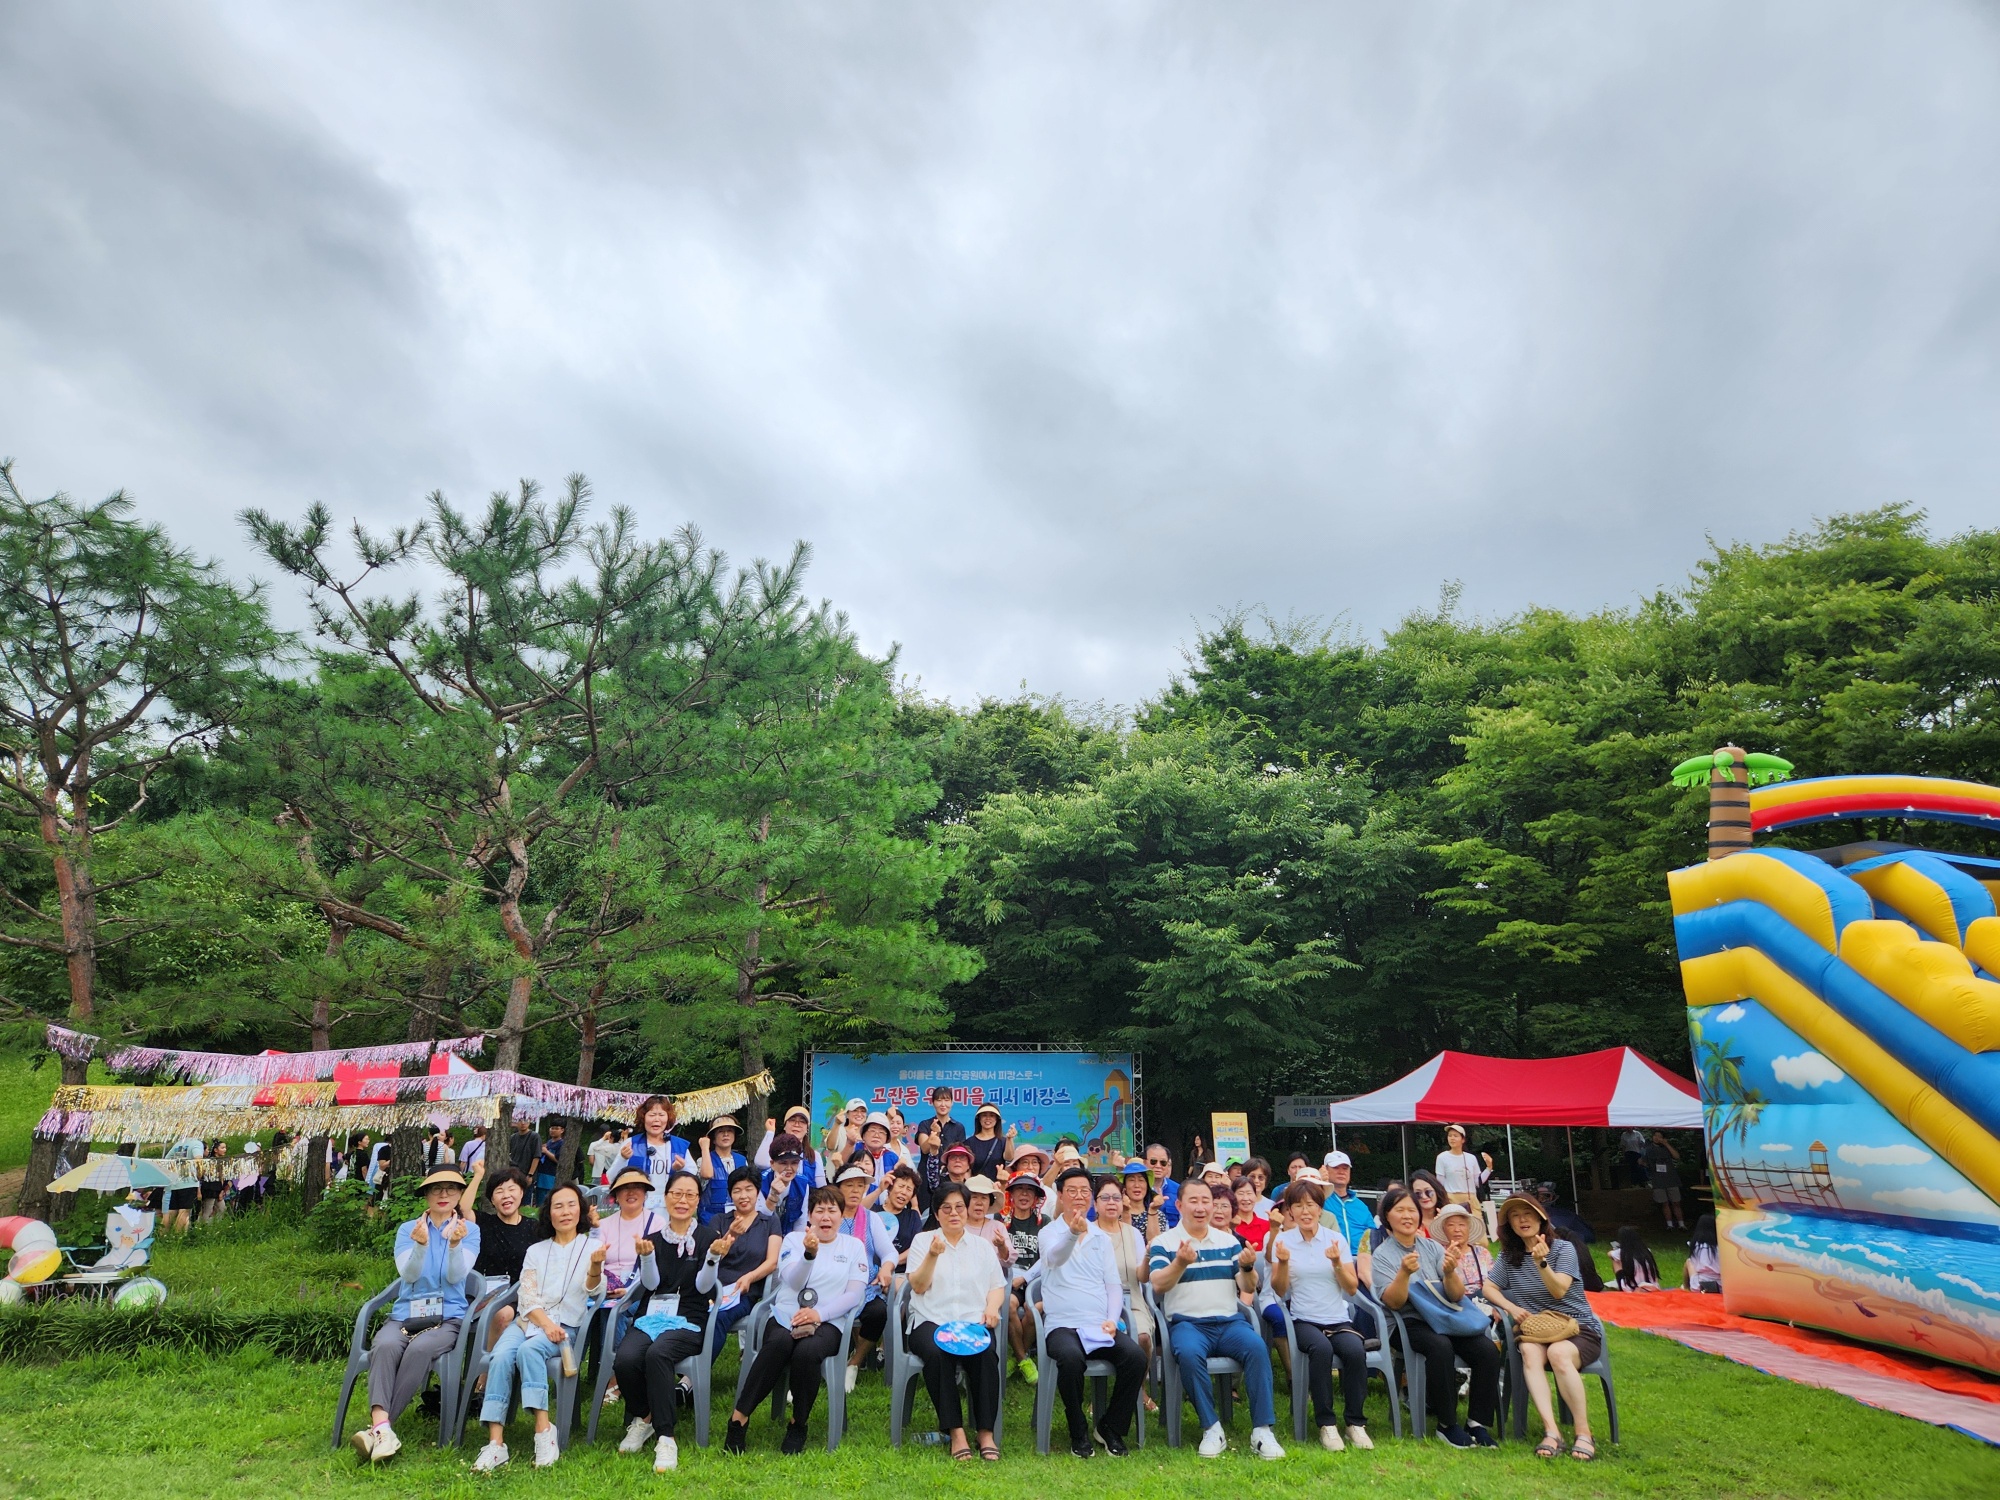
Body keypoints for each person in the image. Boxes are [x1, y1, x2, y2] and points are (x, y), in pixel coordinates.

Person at [723, 1186, 869, 1455]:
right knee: (778, 1344)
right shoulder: (793, 1240)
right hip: (785, 1316)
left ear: (841, 1215)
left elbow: (854, 1295)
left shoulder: (854, 1247)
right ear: (810, 1216)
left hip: (829, 1321)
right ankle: (738, 1419)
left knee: (808, 1352)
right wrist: (809, 1255)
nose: (826, 1217)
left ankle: (798, 1423)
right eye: (820, 1211)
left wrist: (819, 1314)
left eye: (832, 1210)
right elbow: (792, 1281)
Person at [350, 1167, 482, 1463]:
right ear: (426, 1195)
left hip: (448, 1316)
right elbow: (408, 1274)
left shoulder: (469, 1231)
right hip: (406, 1314)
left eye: (451, 1188)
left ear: (461, 1194)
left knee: (420, 1349)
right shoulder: (408, 1229)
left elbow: (455, 1275)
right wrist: (420, 1246)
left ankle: (378, 1429)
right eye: (436, 1188)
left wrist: (454, 1245)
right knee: (383, 1345)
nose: (444, 1194)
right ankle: (384, 1429)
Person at [1147, 1177, 1285, 1459]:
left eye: (1205, 1201)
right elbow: (1158, 1284)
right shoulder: (1164, 1242)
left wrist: (1247, 1267)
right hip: (1187, 1324)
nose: (1200, 1207)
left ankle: (1262, 1430)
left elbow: (1247, 1287)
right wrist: (1181, 1262)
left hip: (1229, 1322)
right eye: (1193, 1201)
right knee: (1187, 1353)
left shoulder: (1228, 1241)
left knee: (1258, 1348)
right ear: (1179, 1204)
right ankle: (1211, 1428)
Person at [471, 1182, 603, 1472]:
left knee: (530, 1350)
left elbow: (593, 1290)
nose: (565, 1211)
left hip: (567, 1326)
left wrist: (595, 1266)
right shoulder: (536, 1250)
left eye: (571, 1204)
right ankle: (496, 1444)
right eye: (558, 1206)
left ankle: (544, 1431)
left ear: (580, 1209)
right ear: (549, 1214)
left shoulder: (592, 1246)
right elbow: (527, 1295)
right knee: (501, 1356)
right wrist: (544, 1324)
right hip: (530, 1321)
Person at [1370, 1184, 1500, 1449]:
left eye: (1412, 1210)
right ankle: (1447, 1424)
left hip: (1444, 1317)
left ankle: (1477, 1423)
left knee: (1487, 1350)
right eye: (1399, 1210)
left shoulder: (1432, 1248)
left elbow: (1456, 1295)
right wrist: (1404, 1274)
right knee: (1440, 1347)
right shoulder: (1383, 1255)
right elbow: (1393, 1302)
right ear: (1387, 1217)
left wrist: (1451, 1272)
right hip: (1407, 1322)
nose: (1407, 1216)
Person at [1480, 1193, 1606, 1462]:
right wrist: (1511, 1308)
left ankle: (1583, 1432)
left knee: (1558, 1354)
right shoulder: (1509, 1256)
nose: (1522, 1219)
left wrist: (1541, 1262)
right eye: (1514, 1216)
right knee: (1530, 1352)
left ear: (1540, 1217)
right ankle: (1552, 1431)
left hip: (1578, 1328)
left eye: (1527, 1213)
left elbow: (1559, 1290)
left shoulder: (1563, 1249)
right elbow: (1488, 1287)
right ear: (1509, 1226)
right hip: (1537, 1329)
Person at [611, 1170, 717, 1472]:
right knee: (626, 1359)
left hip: (689, 1317)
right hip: (652, 1314)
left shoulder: (709, 1237)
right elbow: (652, 1283)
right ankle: (644, 1417)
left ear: (697, 1201)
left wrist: (711, 1259)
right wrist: (645, 1257)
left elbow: (703, 1288)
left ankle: (666, 1437)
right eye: (677, 1194)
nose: (682, 1200)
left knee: (658, 1354)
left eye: (690, 1195)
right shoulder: (653, 1239)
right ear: (666, 1197)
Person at [1037, 1168, 1146, 1458]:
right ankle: (1078, 1430)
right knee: (1070, 1360)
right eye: (1072, 1190)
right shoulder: (1049, 1232)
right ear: (1060, 1195)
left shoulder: (1100, 1237)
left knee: (1136, 1358)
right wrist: (1073, 1233)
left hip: (1098, 1325)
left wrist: (1112, 1319)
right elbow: (1054, 1258)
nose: (1079, 1196)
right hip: (1062, 1326)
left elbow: (1113, 1285)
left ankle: (1110, 1426)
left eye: (1085, 1191)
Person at [903, 1182, 1007, 1460]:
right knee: (938, 1355)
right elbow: (919, 1286)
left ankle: (985, 1431)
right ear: (936, 1214)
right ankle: (956, 1431)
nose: (953, 1213)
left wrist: (993, 1308)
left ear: (967, 1209)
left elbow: (997, 1285)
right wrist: (933, 1256)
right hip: (930, 1320)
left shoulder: (982, 1246)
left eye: (959, 1206)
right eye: (945, 1208)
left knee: (986, 1354)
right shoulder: (923, 1242)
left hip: (971, 1322)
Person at [1267, 1181, 1372, 1451]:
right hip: (1304, 1319)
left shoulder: (1335, 1238)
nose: (1305, 1211)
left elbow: (1350, 1287)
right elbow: (1279, 1290)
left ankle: (1355, 1424)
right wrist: (1284, 1262)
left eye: (1310, 1205)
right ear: (1289, 1210)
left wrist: (1337, 1262)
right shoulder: (1283, 1240)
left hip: (1338, 1318)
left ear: (1319, 1207)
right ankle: (1327, 1424)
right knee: (1321, 1350)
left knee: (1355, 1351)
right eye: (1298, 1205)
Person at [833, 1164, 900, 1393]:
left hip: (866, 1285)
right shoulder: (829, 1214)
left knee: (878, 1313)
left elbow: (889, 1252)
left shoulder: (871, 1218)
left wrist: (886, 1268)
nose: (855, 1190)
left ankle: (854, 1363)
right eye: (849, 1185)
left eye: (860, 1186)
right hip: (833, 1285)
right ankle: (820, 1364)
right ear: (838, 1188)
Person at [460, 1164, 536, 1360]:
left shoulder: (534, 1227)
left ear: (521, 1193)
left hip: (517, 1296)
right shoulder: (484, 1222)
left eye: (512, 1189)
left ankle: (485, 1374)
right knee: (497, 1312)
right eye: (499, 1191)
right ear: (492, 1200)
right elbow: (463, 1209)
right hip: (482, 1294)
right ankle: (481, 1371)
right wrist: (478, 1176)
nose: (506, 1196)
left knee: (503, 1314)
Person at [703, 1165, 782, 1352]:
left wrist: (750, 1277)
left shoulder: (770, 1222)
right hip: (714, 1289)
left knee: (718, 1318)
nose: (743, 1196)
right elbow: (712, 1257)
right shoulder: (719, 1220)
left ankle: (694, 1376)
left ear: (757, 1192)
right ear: (730, 1194)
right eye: (737, 1191)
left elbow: (772, 1262)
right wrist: (730, 1235)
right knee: (695, 1315)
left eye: (748, 1189)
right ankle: (687, 1369)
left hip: (745, 1292)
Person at [1002, 1170, 1047, 1382]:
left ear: (1036, 1197)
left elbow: (1047, 1256)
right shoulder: (1000, 1220)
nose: (1024, 1194)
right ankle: (1023, 1359)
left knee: (1034, 1308)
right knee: (1009, 1304)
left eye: (1030, 1190)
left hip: (1035, 1278)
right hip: (1007, 1276)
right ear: (1011, 1193)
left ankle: (1019, 1355)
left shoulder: (1044, 1222)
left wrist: (1027, 1278)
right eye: (1019, 1188)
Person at [623, 1096, 692, 1211]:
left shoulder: (680, 1146)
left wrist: (679, 1169)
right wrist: (622, 1158)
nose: (656, 1119)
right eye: (652, 1115)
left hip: (671, 1208)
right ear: (643, 1117)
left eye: (661, 1115)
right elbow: (612, 1176)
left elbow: (693, 1177)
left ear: (668, 1118)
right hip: (637, 1208)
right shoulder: (630, 1144)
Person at [1433, 1126, 1492, 1226]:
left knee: (1477, 1228)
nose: (1452, 1138)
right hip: (1451, 1197)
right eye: (1450, 1136)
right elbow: (1440, 1183)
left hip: (1470, 1198)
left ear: (1463, 1139)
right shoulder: (1442, 1157)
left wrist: (1489, 1167)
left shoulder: (1471, 1158)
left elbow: (1478, 1182)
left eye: (1455, 1136)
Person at [695, 1116, 748, 1220]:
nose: (726, 1134)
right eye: (720, 1131)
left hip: (737, 1217)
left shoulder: (742, 1160)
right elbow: (706, 1175)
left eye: (730, 1131)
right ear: (713, 1138)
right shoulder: (704, 1160)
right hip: (710, 1219)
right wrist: (704, 1148)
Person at [755, 1105, 822, 1188]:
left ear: (807, 1129)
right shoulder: (775, 1150)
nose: (797, 1124)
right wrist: (770, 1132)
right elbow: (760, 1163)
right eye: (792, 1120)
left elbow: (821, 1188)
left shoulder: (814, 1155)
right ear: (784, 1126)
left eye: (802, 1121)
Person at [1435, 1203, 1492, 1296]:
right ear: (1444, 1229)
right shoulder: (1439, 1253)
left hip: (1485, 1298)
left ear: (1469, 1228)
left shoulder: (1482, 1252)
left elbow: (1494, 1282)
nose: (1457, 1229)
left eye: (1462, 1225)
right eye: (1451, 1225)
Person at [760, 1133, 812, 1233]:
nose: (789, 1168)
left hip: (789, 1239)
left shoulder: (803, 1184)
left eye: (794, 1163)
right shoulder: (760, 1182)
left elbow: (800, 1222)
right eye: (783, 1163)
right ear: (772, 1164)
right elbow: (759, 1222)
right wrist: (772, 1197)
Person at [1643, 1132, 1686, 1230]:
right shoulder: (1649, 1149)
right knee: (1664, 1203)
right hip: (1658, 1180)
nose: (1656, 1138)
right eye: (1655, 1136)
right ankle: (1669, 1225)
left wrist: (1666, 1144)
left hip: (1671, 1179)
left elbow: (1677, 1156)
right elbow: (1644, 1161)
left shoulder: (1666, 1148)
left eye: (1659, 1136)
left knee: (1676, 1202)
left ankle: (1681, 1224)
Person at [966, 1102, 1010, 1180]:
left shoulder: (1003, 1141)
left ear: (997, 1119)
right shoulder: (969, 1142)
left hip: (997, 1188)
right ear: (979, 1118)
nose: (988, 1118)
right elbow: (967, 1169)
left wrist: (1010, 1139)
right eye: (984, 1115)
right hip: (976, 1188)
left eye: (992, 1115)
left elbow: (1009, 1158)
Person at [1609, 1225, 1661, 1291]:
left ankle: (1622, 1283)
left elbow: (1609, 1254)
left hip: (1631, 1288)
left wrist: (1615, 1250)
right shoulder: (1647, 1251)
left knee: (1615, 1260)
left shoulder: (1622, 1252)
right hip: (1651, 1286)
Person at [1142, 1144, 1181, 1228]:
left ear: (1168, 1165)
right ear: (1144, 1163)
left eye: (1163, 1162)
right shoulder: (1137, 1189)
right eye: (1153, 1161)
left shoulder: (1179, 1190)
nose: (1158, 1166)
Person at [1229, 1178, 1271, 1251]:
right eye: (1241, 1193)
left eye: (1249, 1193)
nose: (1246, 1198)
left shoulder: (1267, 1226)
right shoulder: (1227, 1225)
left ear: (1255, 1196)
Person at [1686, 1215, 1722, 1292]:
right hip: (1721, 1286)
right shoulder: (1721, 1247)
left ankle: (1686, 1287)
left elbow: (1694, 1263)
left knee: (1689, 1262)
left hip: (1699, 1285)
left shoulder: (1695, 1245)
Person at [533, 1123, 565, 1208]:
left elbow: (559, 1160)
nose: (553, 1130)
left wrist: (546, 1152)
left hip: (551, 1175)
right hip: (541, 1174)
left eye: (556, 1128)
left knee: (548, 1199)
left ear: (562, 1130)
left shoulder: (562, 1144)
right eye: (552, 1128)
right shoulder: (549, 1142)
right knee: (539, 1199)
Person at [1407, 1169, 1446, 1236]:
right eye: (1418, 1193)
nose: (1424, 1197)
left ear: (1436, 1191)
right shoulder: (1410, 1222)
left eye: (1428, 1192)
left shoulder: (1448, 1217)